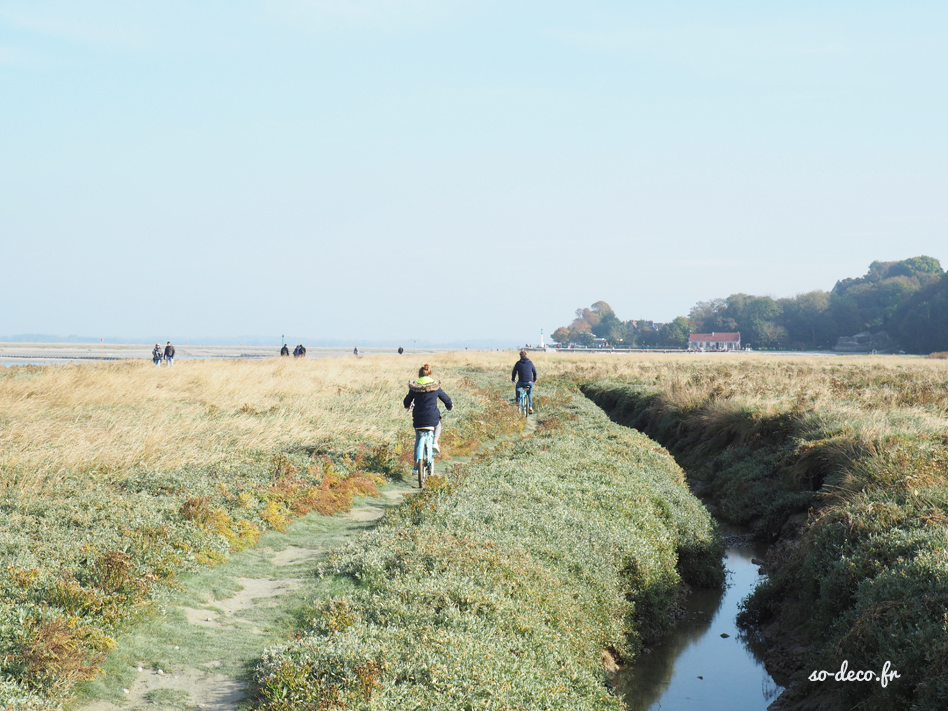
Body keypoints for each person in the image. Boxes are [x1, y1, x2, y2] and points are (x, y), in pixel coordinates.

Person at [403, 364, 452, 455]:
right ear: (430, 375)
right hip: (432, 417)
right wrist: (449, 406)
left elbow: (406, 401)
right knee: (438, 425)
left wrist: (407, 406)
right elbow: (446, 399)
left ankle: (415, 467)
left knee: (418, 439)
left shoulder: (414, 388)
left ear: (419, 376)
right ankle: (435, 441)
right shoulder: (435, 387)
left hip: (418, 418)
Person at [511, 349, 538, 413]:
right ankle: (530, 407)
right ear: (526, 355)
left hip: (521, 382)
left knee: (517, 388)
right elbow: (534, 372)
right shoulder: (530, 362)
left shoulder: (518, 363)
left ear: (520, 356)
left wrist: (513, 379)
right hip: (529, 382)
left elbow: (514, 372)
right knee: (529, 393)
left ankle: (517, 401)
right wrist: (535, 379)